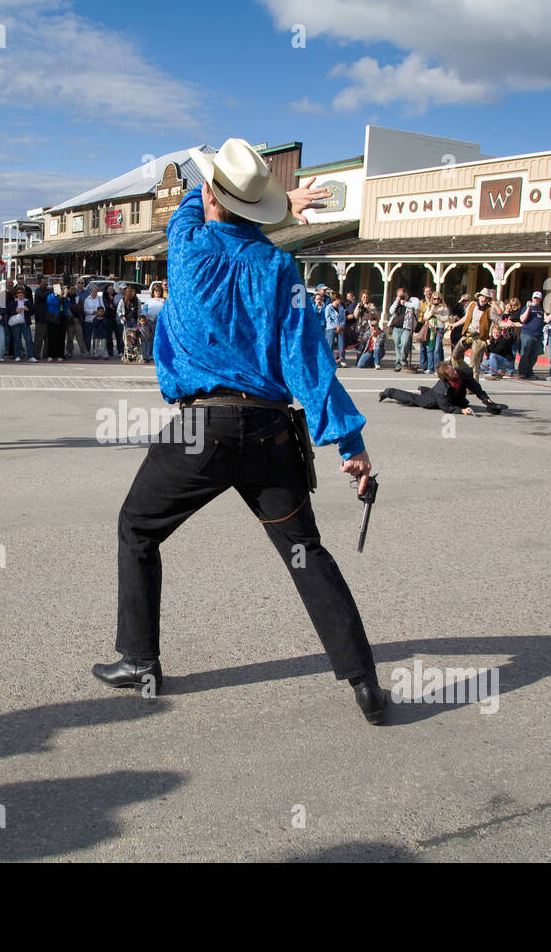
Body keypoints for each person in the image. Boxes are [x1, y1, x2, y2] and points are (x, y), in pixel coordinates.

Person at [90, 138, 388, 725]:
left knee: (138, 527)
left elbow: (191, 206)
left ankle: (139, 660)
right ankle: (364, 683)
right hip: (270, 430)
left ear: (210, 196)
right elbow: (308, 359)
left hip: (204, 427)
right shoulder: (278, 265)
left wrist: (270, 208)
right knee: (305, 552)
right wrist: (349, 442)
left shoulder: (189, 246)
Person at [518, 291, 547, 379]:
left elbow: (544, 320)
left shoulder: (541, 310)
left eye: (538, 299)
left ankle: (529, 372)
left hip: (537, 335)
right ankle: (522, 372)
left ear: (540, 299)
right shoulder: (526, 308)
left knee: (534, 355)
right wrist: (528, 308)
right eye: (535, 298)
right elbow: (522, 319)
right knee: (525, 354)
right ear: (532, 298)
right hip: (527, 334)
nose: (536, 300)